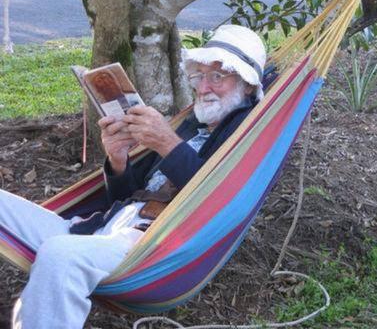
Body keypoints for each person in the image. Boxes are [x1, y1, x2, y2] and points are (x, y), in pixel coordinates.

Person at [0, 25, 266, 329]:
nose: (203, 87)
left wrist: (167, 143)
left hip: (148, 249)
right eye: (199, 76)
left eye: (217, 76)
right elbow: (126, 196)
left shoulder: (248, 132)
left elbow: (218, 199)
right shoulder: (190, 123)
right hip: (101, 230)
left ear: (247, 84)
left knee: (60, 255)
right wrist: (118, 160)